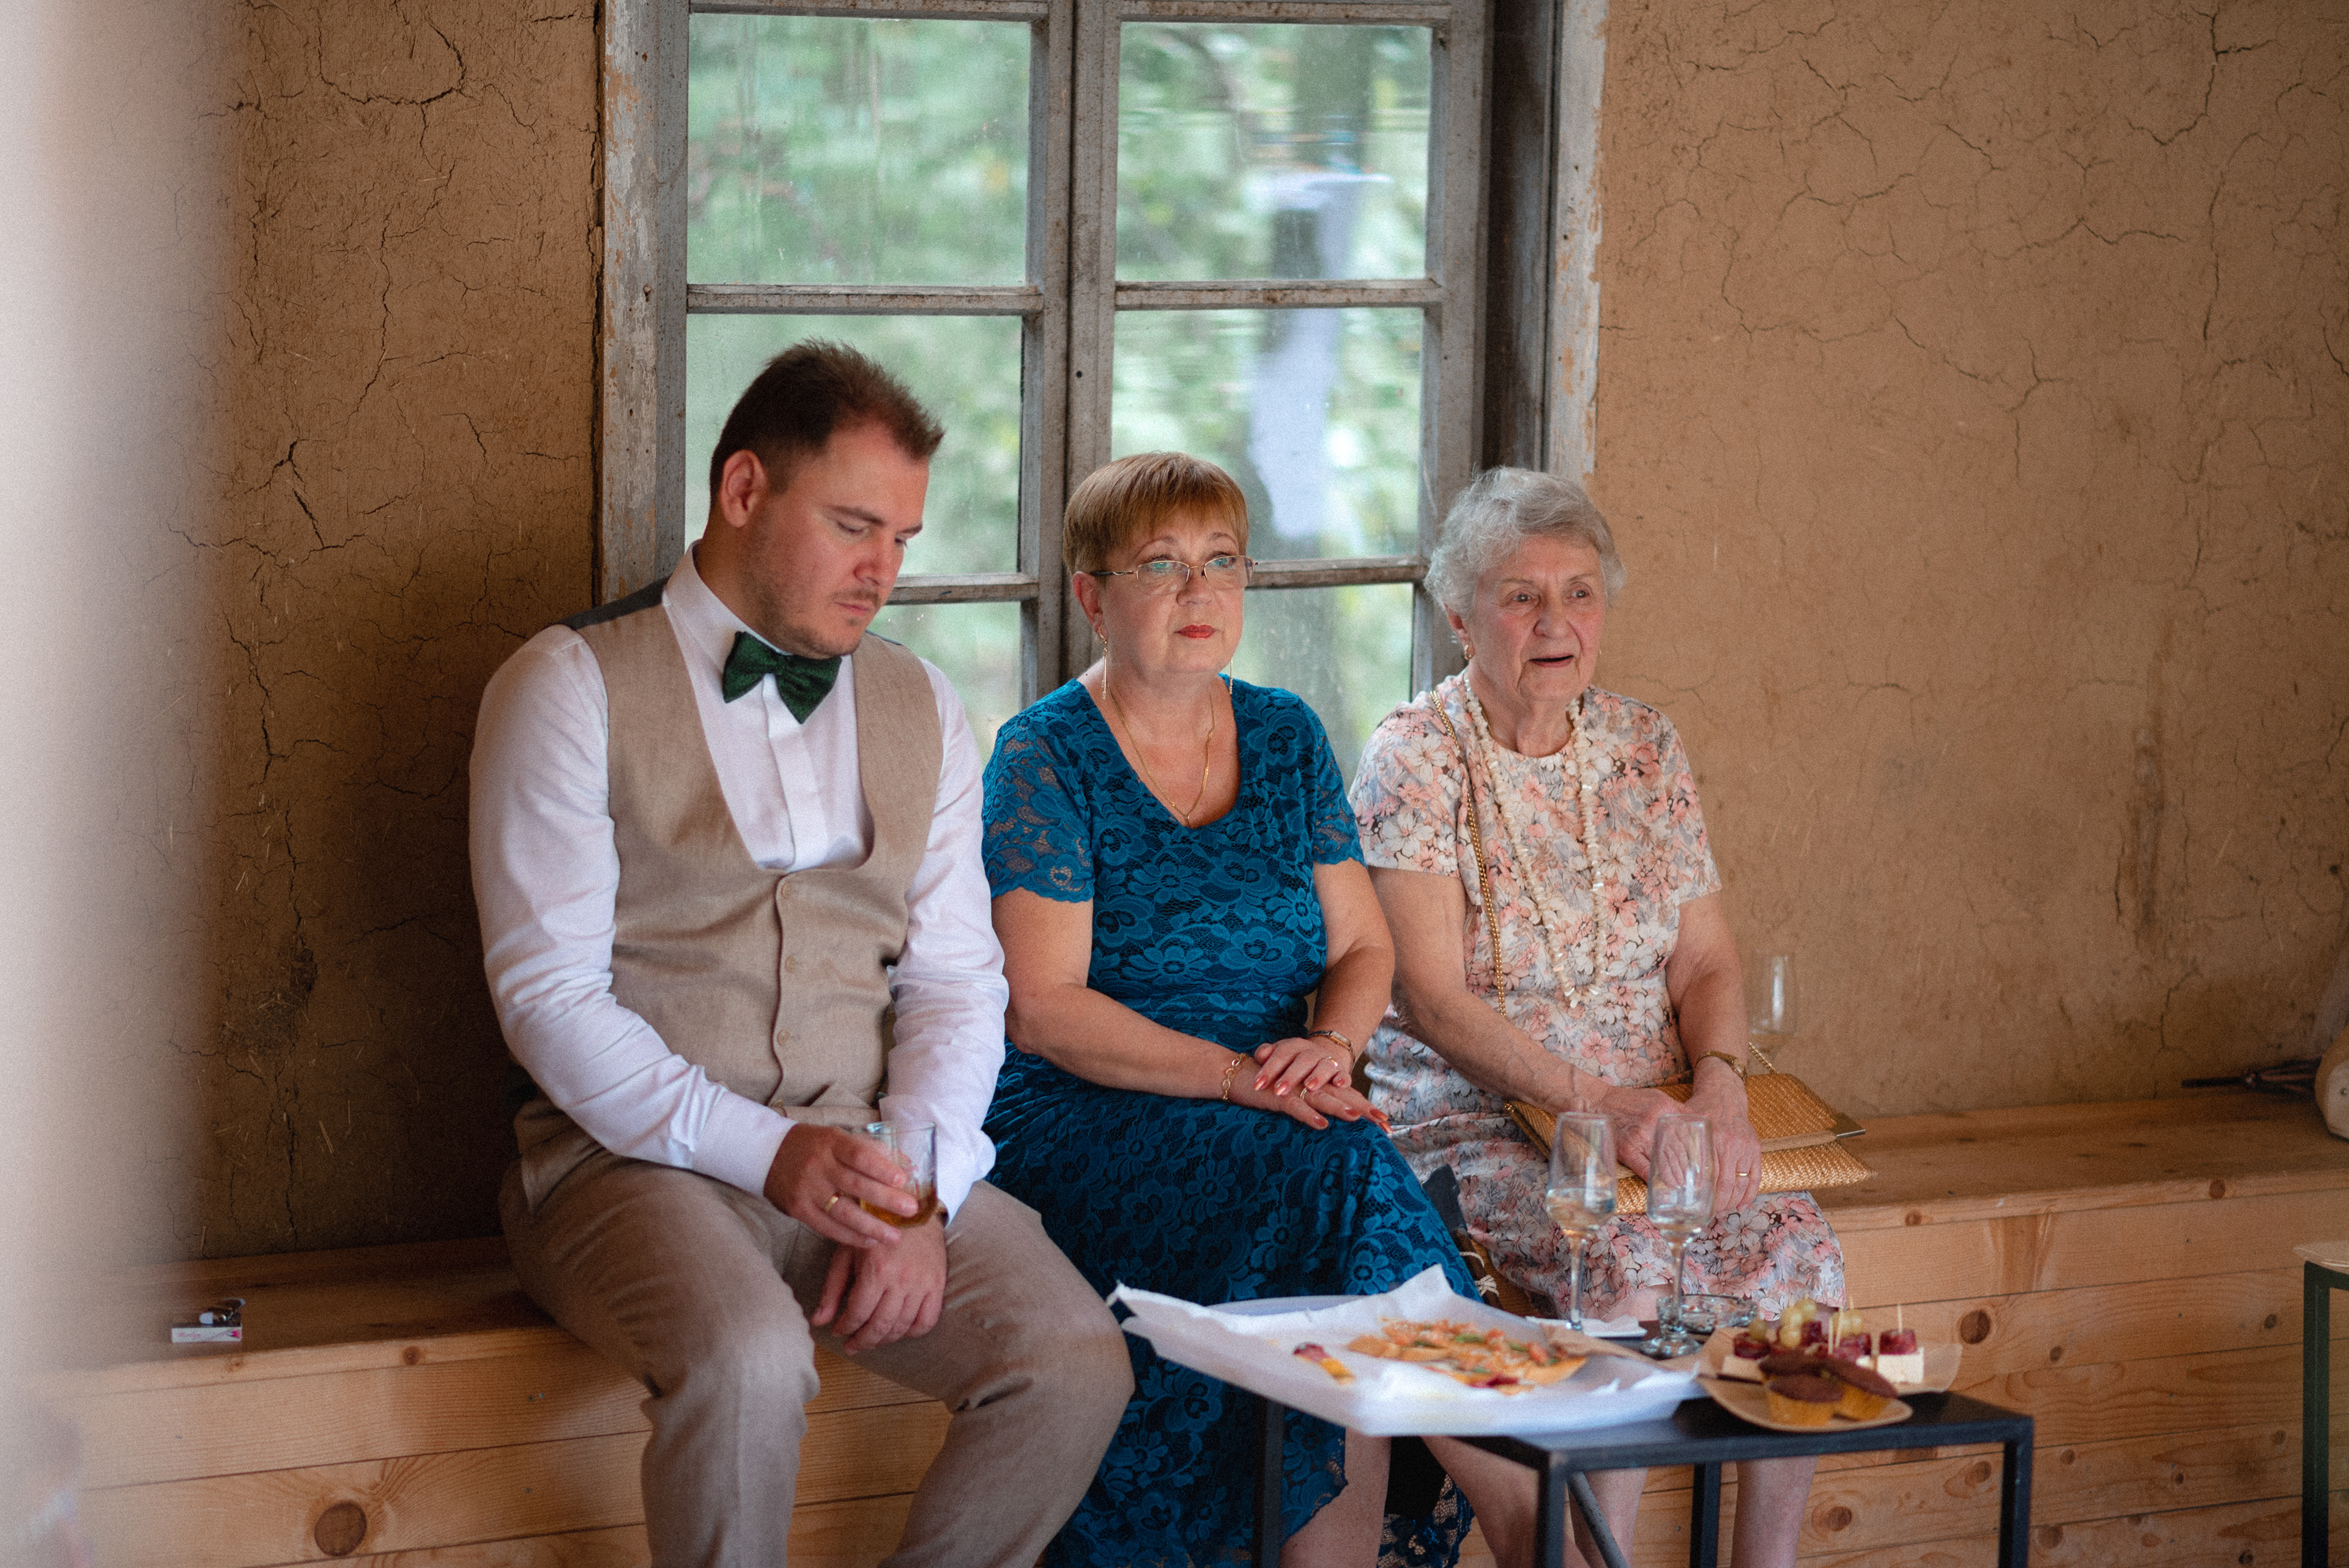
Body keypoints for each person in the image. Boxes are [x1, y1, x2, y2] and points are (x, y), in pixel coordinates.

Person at [469, 341, 1129, 1568]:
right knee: (749, 1359)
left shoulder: (925, 704)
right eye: (852, 526)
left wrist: (917, 1188)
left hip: (868, 1150)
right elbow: (548, 1000)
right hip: (622, 1164)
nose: (884, 572)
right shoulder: (565, 685)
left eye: (904, 539)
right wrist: (769, 1153)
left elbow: (955, 980)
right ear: (743, 490)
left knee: (1075, 1358)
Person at [981, 452, 1542, 1568]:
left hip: (1285, 1104)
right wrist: (1245, 1080)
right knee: (1335, 1168)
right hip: (1090, 1113)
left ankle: (1507, 1498)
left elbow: (1365, 947)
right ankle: (1523, 1493)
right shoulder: (1042, 754)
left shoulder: (1285, 735)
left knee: (1324, 1184)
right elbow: (1043, 1012)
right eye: (1161, 566)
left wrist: (1329, 1046)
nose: (1200, 591)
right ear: (1092, 595)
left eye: (1223, 562)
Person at [1349, 467, 1844, 1568]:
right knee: (1623, 1261)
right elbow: (1429, 999)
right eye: (1521, 596)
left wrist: (1720, 1088)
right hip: (1483, 1120)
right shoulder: (1416, 757)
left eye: (1580, 593)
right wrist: (1602, 1106)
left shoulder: (1643, 747)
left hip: (1660, 1119)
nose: (1555, 622)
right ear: (1460, 617)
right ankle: (1593, 1558)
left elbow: (1707, 960)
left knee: (1803, 1253)